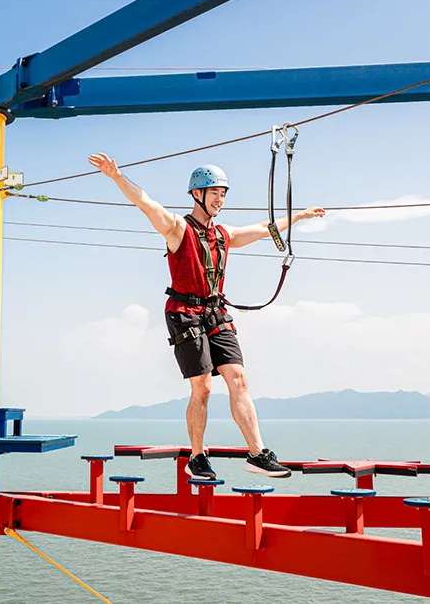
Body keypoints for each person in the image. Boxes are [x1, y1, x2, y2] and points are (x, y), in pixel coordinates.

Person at [88, 153, 325, 479]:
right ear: (197, 194)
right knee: (202, 388)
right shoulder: (177, 228)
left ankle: (257, 454)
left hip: (215, 313)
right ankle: (197, 458)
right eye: (214, 192)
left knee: (239, 379)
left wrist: (299, 216)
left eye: (223, 194)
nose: (220, 200)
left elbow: (261, 229)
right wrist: (116, 176)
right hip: (185, 314)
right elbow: (145, 203)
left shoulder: (223, 235)